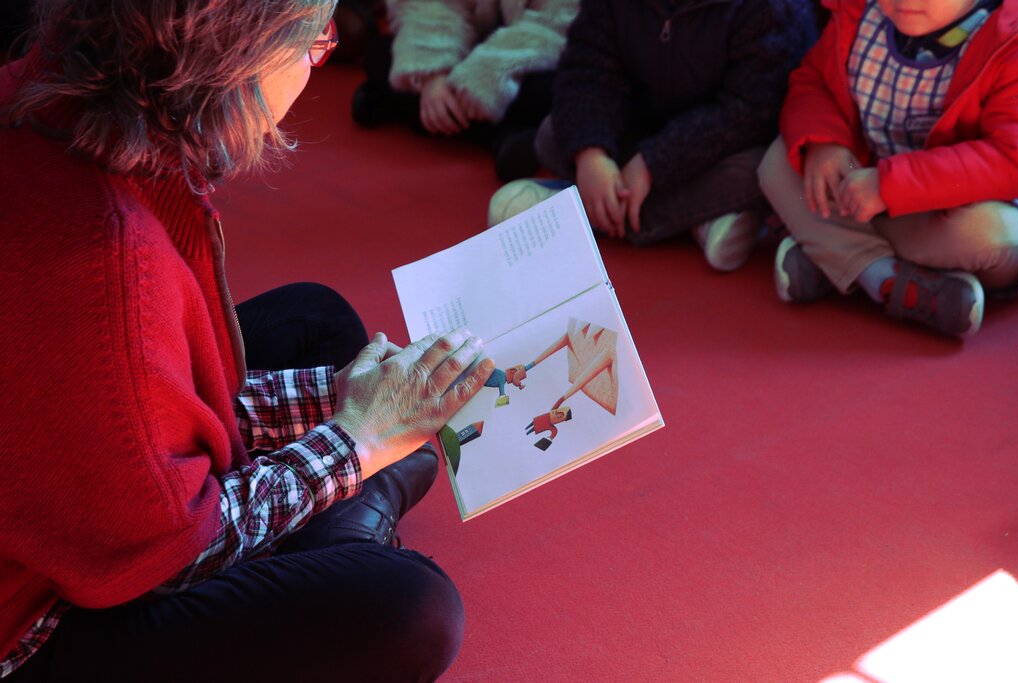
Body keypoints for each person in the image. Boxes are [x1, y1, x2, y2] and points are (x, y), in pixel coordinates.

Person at [0, 1, 496, 680]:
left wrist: (338, 396)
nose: (315, 66)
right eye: (314, 43)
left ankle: (349, 518)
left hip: (60, 484)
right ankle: (353, 522)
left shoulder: (42, 92)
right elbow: (172, 551)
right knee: (412, 608)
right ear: (242, 52)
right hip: (35, 621)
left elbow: (128, 404)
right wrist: (357, 439)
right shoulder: (107, 256)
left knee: (317, 322)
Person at [758, 0, 1018, 337]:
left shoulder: (1011, 40)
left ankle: (836, 255)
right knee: (778, 162)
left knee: (996, 235)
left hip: (943, 216)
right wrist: (826, 144)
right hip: (859, 186)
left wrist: (891, 186)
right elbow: (814, 80)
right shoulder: (859, 12)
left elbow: (1011, 160)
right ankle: (882, 277)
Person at [487, 0, 817, 272]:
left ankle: (582, 215)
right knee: (551, 133)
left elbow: (749, 112)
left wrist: (654, 163)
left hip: (719, 146)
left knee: (766, 170)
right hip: (641, 127)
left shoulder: (771, 9)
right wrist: (592, 154)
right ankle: (697, 217)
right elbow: (587, 69)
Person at [350, 0, 580, 181]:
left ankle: (395, 104)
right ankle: (498, 137)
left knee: (557, 92)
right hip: (468, 44)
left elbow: (557, 24)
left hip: (531, 52)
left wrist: (488, 73)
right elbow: (431, 6)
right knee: (379, 54)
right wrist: (434, 72)